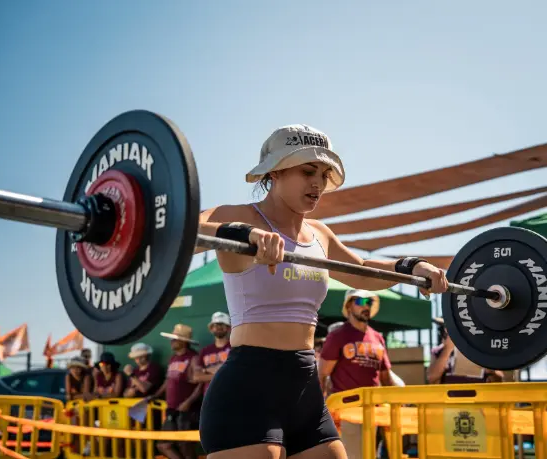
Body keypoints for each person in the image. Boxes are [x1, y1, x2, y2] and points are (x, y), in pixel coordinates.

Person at [195, 123, 449, 459]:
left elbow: (364, 272)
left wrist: (412, 267)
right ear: (275, 171)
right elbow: (186, 231)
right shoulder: (238, 216)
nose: (318, 183)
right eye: (307, 171)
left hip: (305, 390)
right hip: (248, 389)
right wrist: (244, 235)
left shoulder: (320, 234)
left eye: (324, 174)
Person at [317, 290, 398, 459]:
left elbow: (385, 377)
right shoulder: (338, 336)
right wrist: (319, 411)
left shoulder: (378, 337)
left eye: (369, 302)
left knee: (370, 455)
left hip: (374, 413)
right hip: (347, 411)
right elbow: (322, 374)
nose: (366, 306)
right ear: (348, 306)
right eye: (361, 301)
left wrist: (399, 401)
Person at [154, 324, 202, 459]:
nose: (171, 342)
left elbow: (200, 383)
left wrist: (189, 402)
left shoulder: (193, 357)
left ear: (183, 341)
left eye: (174, 339)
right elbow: (167, 381)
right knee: (163, 445)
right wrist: (155, 395)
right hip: (172, 408)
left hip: (188, 410)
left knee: (185, 445)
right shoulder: (172, 358)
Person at [427, 317, 503, 384]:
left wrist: (491, 371)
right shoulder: (438, 351)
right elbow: (431, 378)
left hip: (478, 394)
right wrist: (447, 350)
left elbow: (499, 380)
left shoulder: (483, 350)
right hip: (450, 395)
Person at [192, 312, 232, 396]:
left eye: (222, 324)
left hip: (231, 395)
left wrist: (206, 370)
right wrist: (223, 373)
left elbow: (235, 374)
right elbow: (197, 377)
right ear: (211, 329)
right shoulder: (205, 351)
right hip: (209, 397)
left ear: (228, 328)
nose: (218, 327)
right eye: (215, 325)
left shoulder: (235, 348)